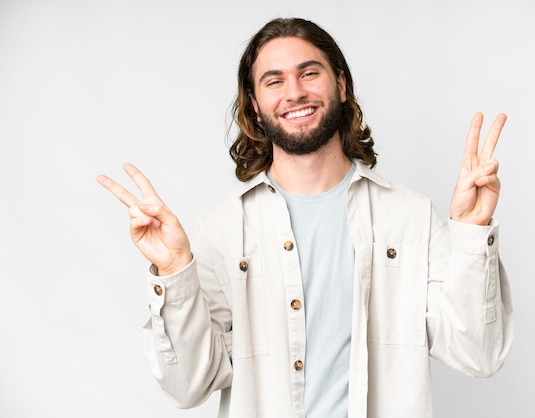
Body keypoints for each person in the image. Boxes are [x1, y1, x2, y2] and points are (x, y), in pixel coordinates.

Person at [97, 17, 513, 418]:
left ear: (342, 86)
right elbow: (187, 387)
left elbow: (479, 354)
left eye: (309, 73)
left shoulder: (411, 217)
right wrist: (173, 272)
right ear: (256, 107)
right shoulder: (220, 231)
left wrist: (471, 234)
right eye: (273, 81)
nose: (294, 92)